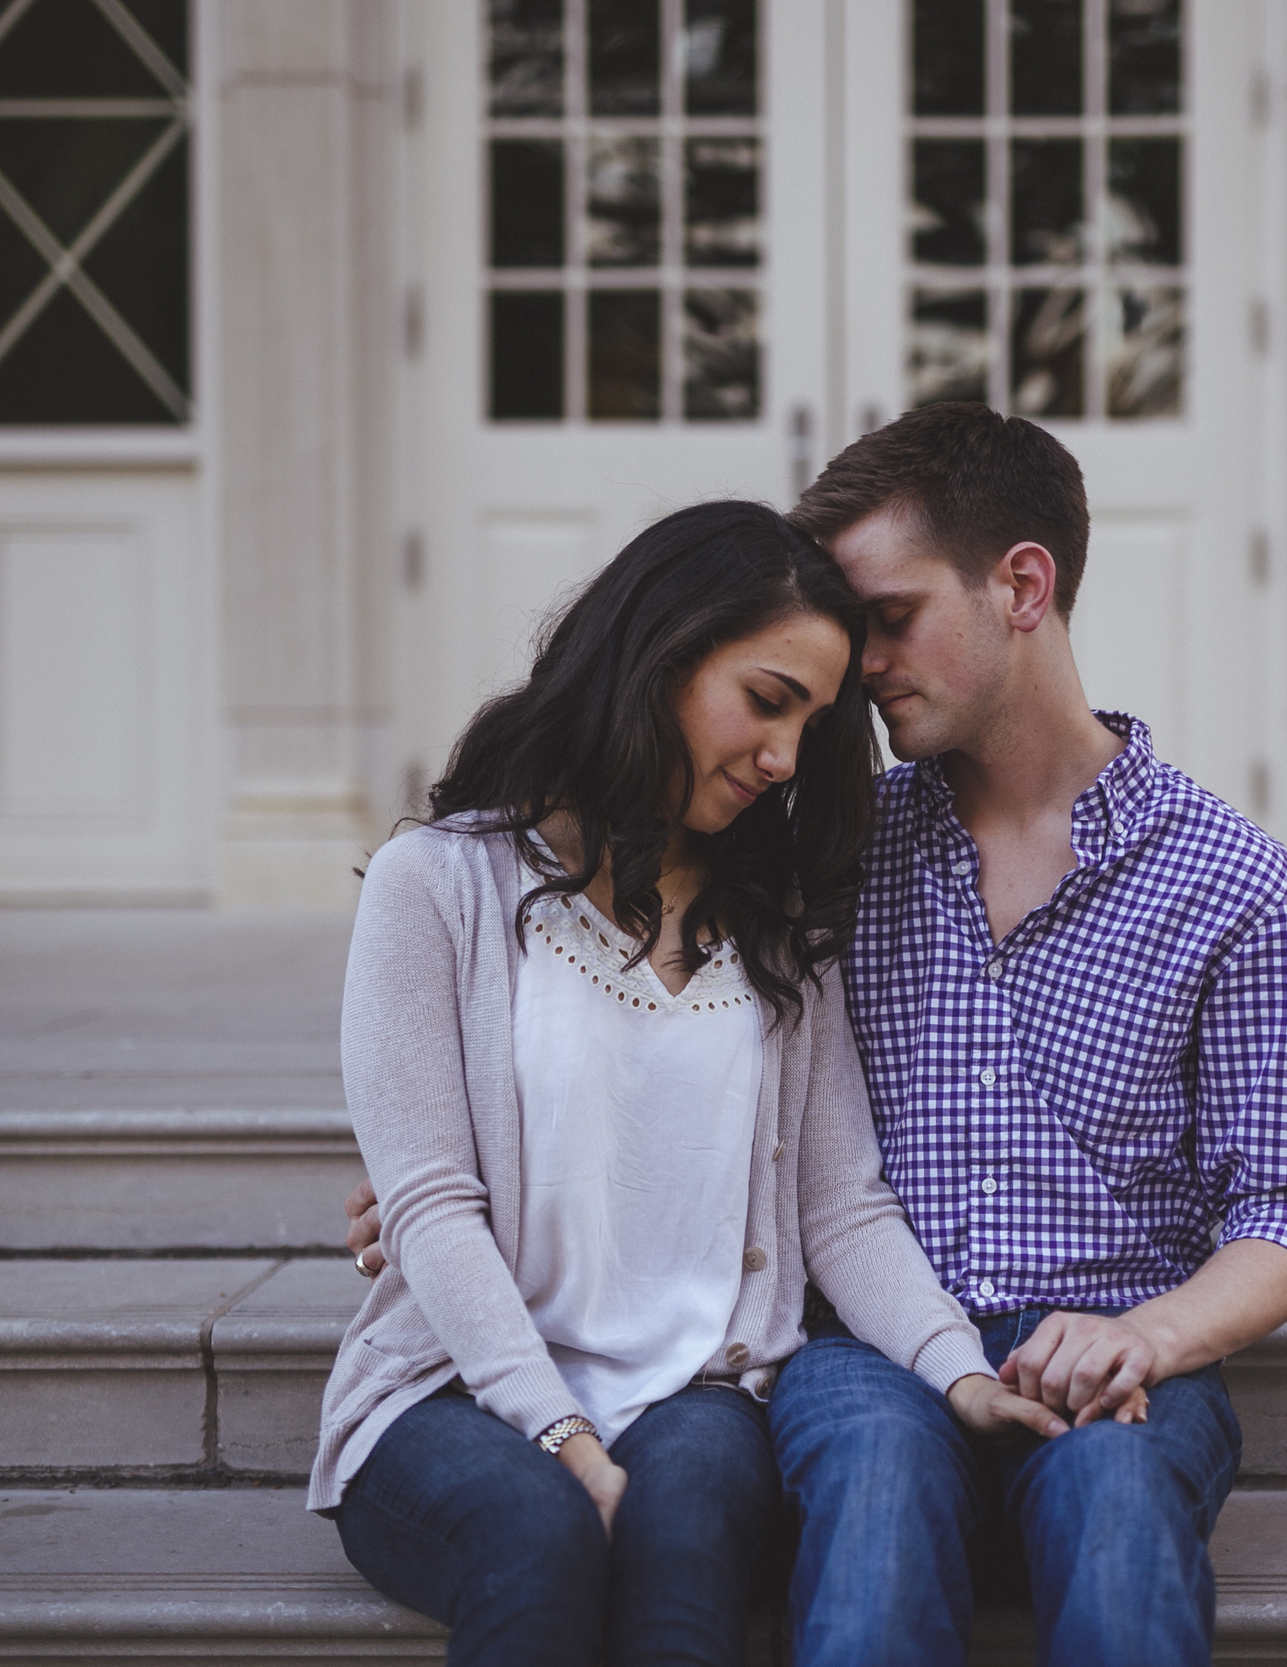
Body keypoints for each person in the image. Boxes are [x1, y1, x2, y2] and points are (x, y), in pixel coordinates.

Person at [350, 406, 1287, 1665]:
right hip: (865, 1352)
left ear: (1022, 586)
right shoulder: (830, 853)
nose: (858, 675)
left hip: (1112, 1343)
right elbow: (616, 1037)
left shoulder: (1234, 882)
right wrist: (459, 1169)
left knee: (1116, 1517)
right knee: (870, 1500)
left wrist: (1144, 1335)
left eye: (890, 618)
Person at [313, 499, 1067, 1667]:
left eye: (810, 725)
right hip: (451, 1389)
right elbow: (428, 1206)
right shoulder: (437, 886)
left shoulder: (778, 929)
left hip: (697, 1389)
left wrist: (959, 1372)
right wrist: (565, 1439)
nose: (782, 755)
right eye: (767, 700)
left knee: (688, 1539)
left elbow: (841, 1204)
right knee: (539, 1536)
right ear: (659, 652)